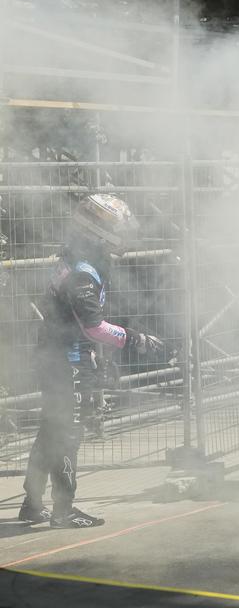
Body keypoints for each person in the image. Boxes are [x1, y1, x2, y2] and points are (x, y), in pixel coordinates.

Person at [20, 194, 167, 529]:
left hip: (59, 355)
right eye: (119, 229)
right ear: (99, 234)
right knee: (66, 434)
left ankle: (32, 504)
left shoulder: (78, 260)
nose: (125, 236)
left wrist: (95, 355)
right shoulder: (84, 272)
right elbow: (93, 326)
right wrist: (135, 339)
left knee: (50, 431)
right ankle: (63, 510)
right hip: (65, 361)